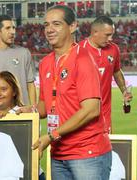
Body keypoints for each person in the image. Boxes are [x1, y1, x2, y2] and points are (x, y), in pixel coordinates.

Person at [28, 5, 112, 179]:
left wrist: (52, 135)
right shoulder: (45, 63)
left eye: (56, 24)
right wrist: (30, 110)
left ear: (72, 26)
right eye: (46, 25)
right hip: (58, 154)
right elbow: (46, 106)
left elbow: (91, 109)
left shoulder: (83, 58)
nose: (49, 29)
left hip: (87, 154)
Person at [79, 16, 133, 133]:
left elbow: (116, 71)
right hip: (82, 113)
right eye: (107, 35)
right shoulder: (78, 51)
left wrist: (124, 91)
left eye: (112, 34)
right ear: (95, 32)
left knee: (106, 148)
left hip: (104, 113)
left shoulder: (114, 49)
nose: (110, 38)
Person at [0, 15, 37, 106]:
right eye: (8, 28)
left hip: (22, 111)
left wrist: (33, 108)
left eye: (13, 28)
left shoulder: (24, 53)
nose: (12, 32)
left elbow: (30, 84)